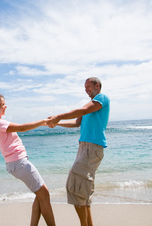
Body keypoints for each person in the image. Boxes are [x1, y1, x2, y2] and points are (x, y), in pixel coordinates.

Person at [0, 93, 56, 226]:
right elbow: (22, 128)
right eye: (2, 104)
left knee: (41, 195)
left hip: (16, 164)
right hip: (19, 163)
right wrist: (44, 121)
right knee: (44, 194)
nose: (5, 106)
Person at [46, 77, 110, 226]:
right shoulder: (88, 105)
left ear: (97, 86)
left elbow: (84, 110)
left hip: (91, 147)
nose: (86, 89)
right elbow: (77, 122)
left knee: (75, 188)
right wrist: (58, 123)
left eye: (88, 86)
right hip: (85, 148)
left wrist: (58, 116)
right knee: (83, 192)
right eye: (84, 87)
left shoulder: (101, 98)